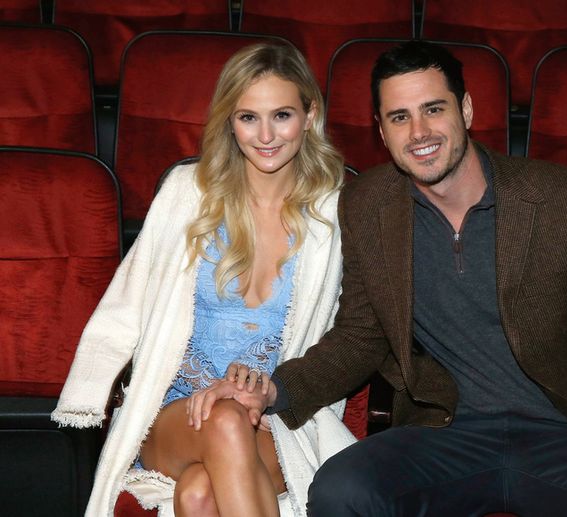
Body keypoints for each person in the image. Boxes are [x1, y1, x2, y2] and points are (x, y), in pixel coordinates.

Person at [215, 40, 567, 516]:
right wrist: (276, 389)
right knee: (341, 490)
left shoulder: (564, 199)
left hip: (564, 433)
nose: (419, 132)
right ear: (381, 131)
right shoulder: (368, 205)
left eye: (433, 109)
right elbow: (361, 334)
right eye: (399, 117)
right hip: (444, 433)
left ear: (464, 109)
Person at [51, 42, 356, 517]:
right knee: (224, 421)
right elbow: (127, 301)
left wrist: (266, 387)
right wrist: (88, 390)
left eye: (281, 115)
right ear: (229, 121)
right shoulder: (187, 193)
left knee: (198, 492)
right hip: (174, 414)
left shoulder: (337, 211)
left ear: (309, 115)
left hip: (275, 419)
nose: (266, 135)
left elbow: (352, 335)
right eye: (248, 117)